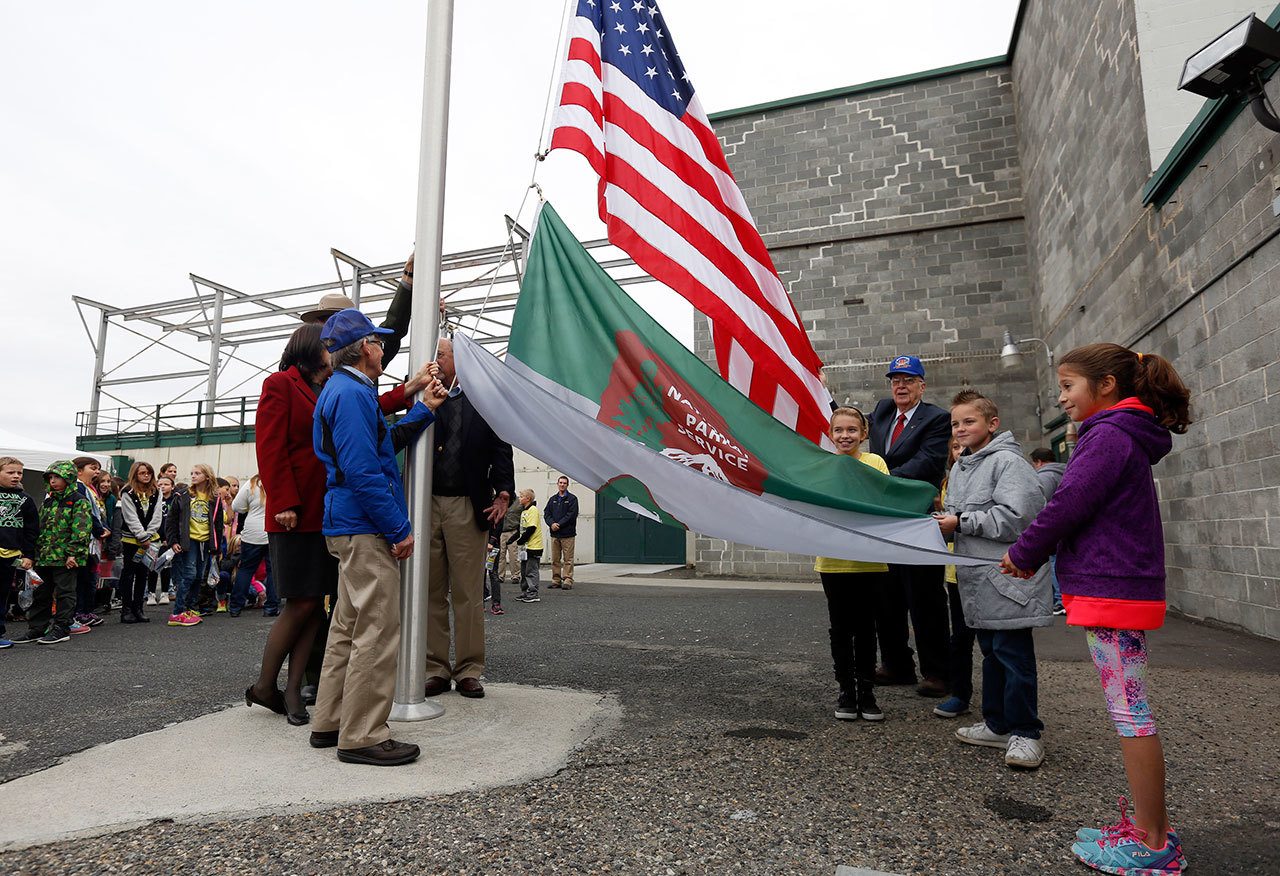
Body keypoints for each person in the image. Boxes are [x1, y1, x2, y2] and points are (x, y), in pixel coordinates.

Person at [1000, 344, 1192, 875]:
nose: (1061, 397)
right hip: (1118, 585)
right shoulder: (1121, 432)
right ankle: (1150, 831)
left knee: (1131, 713)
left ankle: (1154, 844)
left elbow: (1069, 502)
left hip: (1114, 587)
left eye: (1068, 386)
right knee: (1129, 709)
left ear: (1106, 384)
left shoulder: (1108, 435)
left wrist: (1023, 552)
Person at [249, 321, 427, 722]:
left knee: (319, 607)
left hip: (327, 513)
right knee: (304, 603)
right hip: (297, 513)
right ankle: (267, 685)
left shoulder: (331, 389)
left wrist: (412, 395)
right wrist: (285, 502)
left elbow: (371, 418)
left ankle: (297, 692)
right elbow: (271, 448)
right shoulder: (282, 385)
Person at [308, 308, 446, 766]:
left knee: (348, 626)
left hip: (346, 524)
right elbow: (365, 471)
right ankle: (363, 734)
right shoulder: (351, 394)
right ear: (364, 347)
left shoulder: (344, 390)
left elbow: (377, 447)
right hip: (364, 527)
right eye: (378, 341)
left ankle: (330, 721)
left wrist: (422, 410)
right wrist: (399, 527)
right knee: (377, 628)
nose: (383, 348)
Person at [935, 391, 1051, 770]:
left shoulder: (1008, 463)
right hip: (978, 582)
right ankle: (998, 723)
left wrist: (961, 523)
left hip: (1007, 579)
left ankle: (1026, 732)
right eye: (955, 423)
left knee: (1015, 657)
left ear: (992, 424)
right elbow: (957, 516)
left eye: (969, 421)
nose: (961, 429)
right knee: (993, 654)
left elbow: (1020, 518)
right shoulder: (962, 467)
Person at [423, 337, 515, 700]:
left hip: (467, 505)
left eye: (441, 356)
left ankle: (468, 669)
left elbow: (500, 447)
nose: (435, 361)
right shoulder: (423, 395)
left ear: (458, 361)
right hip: (426, 504)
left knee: (467, 593)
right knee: (429, 592)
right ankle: (434, 668)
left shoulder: (482, 399)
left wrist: (504, 490)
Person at [866, 355, 952, 697]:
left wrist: (879, 480)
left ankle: (938, 672)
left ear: (922, 385)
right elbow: (851, 424)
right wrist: (822, 395)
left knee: (925, 598)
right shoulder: (884, 411)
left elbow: (927, 462)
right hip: (885, 520)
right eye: (895, 380)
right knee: (885, 597)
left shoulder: (937, 418)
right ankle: (896, 665)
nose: (900, 386)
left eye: (908, 380)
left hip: (916, 518)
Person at [814, 407, 888, 722]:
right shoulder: (822, 465)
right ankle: (846, 690)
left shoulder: (875, 462)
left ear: (864, 433)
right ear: (830, 435)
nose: (845, 436)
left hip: (869, 562)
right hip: (832, 562)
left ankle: (867, 691)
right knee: (840, 629)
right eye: (839, 430)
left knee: (866, 627)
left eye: (852, 430)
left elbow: (881, 498)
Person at [11, 461, 92, 645]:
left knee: (65, 593)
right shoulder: (48, 501)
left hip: (65, 558)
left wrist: (73, 553)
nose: (53, 481)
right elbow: (39, 527)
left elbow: (81, 530)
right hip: (44, 556)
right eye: (51, 478)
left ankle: (61, 628)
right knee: (41, 593)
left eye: (57, 477)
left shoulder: (78, 500)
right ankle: (37, 628)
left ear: (69, 478)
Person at [933, 438, 974, 720]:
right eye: (956, 448)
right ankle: (960, 694)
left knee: (995, 642)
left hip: (983, 569)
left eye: (964, 447)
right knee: (959, 637)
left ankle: (1005, 703)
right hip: (955, 572)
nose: (961, 452)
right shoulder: (948, 482)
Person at [164, 464, 223, 626]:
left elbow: (218, 524)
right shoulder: (183, 495)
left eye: (197, 473)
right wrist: (173, 541)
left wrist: (216, 547)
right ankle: (177, 611)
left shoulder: (214, 498)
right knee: (189, 574)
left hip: (205, 542)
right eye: (192, 473)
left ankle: (189, 608)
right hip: (188, 541)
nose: (193, 476)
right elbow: (172, 520)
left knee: (199, 576)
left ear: (207, 476)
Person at [116, 462, 163, 624]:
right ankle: (126, 609)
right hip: (132, 540)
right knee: (129, 574)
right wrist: (142, 537)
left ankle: (139, 608)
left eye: (149, 472)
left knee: (143, 573)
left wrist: (149, 535)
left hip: (150, 540)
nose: (146, 475)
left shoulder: (156, 492)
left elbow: (157, 516)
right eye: (142, 473)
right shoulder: (127, 492)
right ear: (135, 474)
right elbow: (130, 517)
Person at [0, 456, 39, 648]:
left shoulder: (25, 499)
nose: (15, 476)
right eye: (10, 472)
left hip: (10, 555)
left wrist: (28, 555)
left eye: (19, 473)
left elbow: (31, 530)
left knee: (2, 594)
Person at [230, 474, 276, 617]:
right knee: (273, 571)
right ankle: (271, 607)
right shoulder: (279, 480)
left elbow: (237, 506)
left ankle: (235, 607)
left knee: (245, 570)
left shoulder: (252, 483)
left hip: (252, 533)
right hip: (272, 531)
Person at [1030, 448, 1068, 615]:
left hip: (1052, 527)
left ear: (1038, 461)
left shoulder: (1044, 476)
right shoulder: (1066, 471)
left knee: (1053, 562)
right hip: (1068, 526)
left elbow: (1038, 503)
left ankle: (1060, 601)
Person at [71, 457, 108, 628]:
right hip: (85, 539)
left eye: (98, 468)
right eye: (93, 468)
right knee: (83, 577)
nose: (97, 472)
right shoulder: (78, 486)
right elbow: (86, 512)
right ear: (79, 470)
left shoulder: (90, 487)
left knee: (91, 577)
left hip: (93, 540)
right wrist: (99, 529)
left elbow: (98, 511)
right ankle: (79, 612)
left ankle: (86, 610)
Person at [544, 476, 578, 590]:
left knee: (568, 559)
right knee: (555, 559)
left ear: (567, 485)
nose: (562, 485)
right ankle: (556, 580)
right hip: (555, 535)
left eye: (564, 483)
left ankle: (568, 580)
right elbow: (546, 513)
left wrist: (559, 524)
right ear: (557, 484)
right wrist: (551, 524)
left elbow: (571, 515)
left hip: (568, 534)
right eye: (560, 483)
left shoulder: (572, 499)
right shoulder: (552, 499)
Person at [150, 475, 176, 606]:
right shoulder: (153, 499)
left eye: (166, 484)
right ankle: (151, 593)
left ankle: (165, 592)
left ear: (172, 486)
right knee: (152, 566)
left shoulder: (175, 500)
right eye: (160, 484)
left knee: (165, 565)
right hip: (154, 538)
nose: (162, 487)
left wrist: (170, 539)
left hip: (168, 539)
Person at [515, 488, 544, 604]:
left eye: (521, 496)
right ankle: (525, 591)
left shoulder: (533, 510)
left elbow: (531, 528)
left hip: (534, 547)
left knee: (531, 571)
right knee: (524, 570)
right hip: (525, 547)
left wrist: (521, 540)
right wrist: (514, 539)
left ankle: (533, 593)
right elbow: (521, 529)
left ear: (528, 498)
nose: (519, 498)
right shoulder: (524, 511)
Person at [497, 496, 523, 592]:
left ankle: (515, 575)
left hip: (513, 531)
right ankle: (500, 575)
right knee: (501, 555)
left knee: (513, 554)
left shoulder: (519, 502)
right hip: (501, 532)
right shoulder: (499, 501)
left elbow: (525, 512)